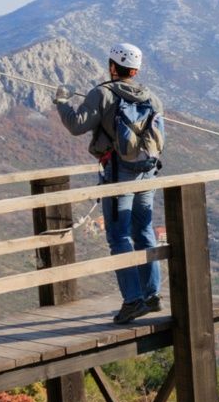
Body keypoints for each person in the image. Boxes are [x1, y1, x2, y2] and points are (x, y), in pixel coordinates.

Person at [54, 43, 167, 324]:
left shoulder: (102, 93)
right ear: (136, 70)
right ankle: (152, 295)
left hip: (118, 174)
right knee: (144, 231)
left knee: (119, 237)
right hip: (147, 172)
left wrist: (62, 102)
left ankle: (133, 300)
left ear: (113, 67)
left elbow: (77, 125)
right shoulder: (151, 97)